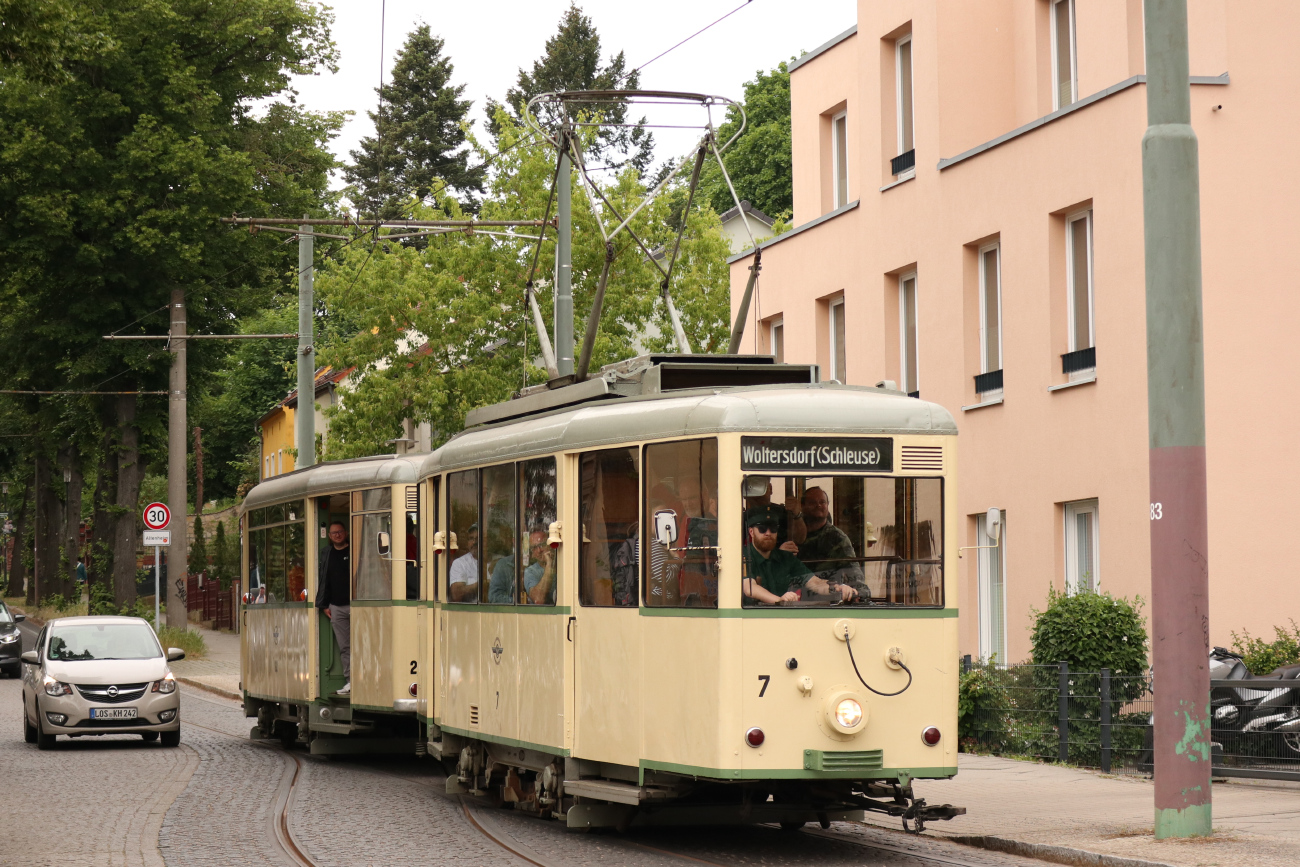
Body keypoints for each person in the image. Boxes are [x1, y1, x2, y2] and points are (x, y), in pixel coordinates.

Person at [742, 504, 858, 604]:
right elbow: (750, 588)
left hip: (782, 618)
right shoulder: (743, 555)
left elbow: (814, 583)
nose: (768, 533)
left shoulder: (785, 558)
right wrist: (780, 601)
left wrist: (838, 588)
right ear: (751, 532)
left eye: (773, 529)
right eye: (762, 529)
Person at [313, 521, 352, 695]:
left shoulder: (354, 550)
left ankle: (365, 680)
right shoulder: (327, 554)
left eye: (340, 531)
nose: (337, 535)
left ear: (346, 533)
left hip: (357, 605)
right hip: (336, 607)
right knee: (345, 647)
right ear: (329, 536)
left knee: (363, 644)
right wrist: (324, 605)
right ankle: (351, 681)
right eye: (334, 533)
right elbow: (324, 579)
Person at [448, 523, 479, 602]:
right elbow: (456, 595)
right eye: (471, 538)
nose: (475, 542)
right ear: (467, 542)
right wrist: (483, 584)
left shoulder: (499, 561)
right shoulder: (460, 563)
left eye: (479, 538)